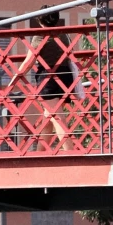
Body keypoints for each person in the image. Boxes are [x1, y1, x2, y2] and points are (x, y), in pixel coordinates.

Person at [28, 10, 76, 150]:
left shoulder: (40, 36)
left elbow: (29, 61)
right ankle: (40, 154)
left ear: (40, 21)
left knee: (57, 117)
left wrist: (15, 77)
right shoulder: (63, 35)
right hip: (65, 76)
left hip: (49, 78)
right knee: (48, 118)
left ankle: (71, 154)